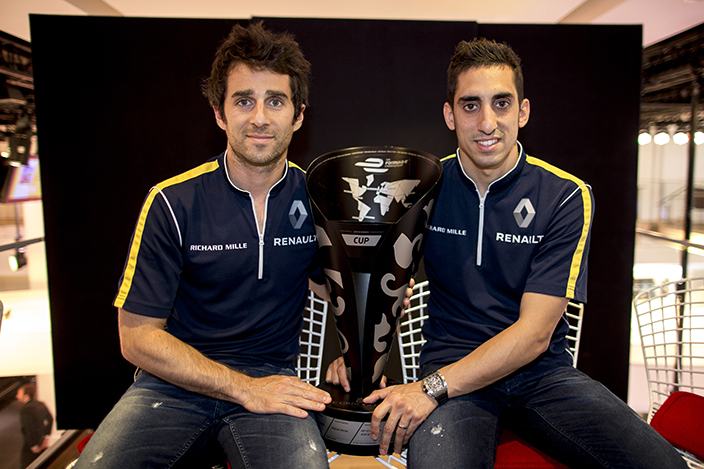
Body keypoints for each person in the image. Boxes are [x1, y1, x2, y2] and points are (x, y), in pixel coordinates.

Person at [327, 38, 688, 468]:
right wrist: (360, 358)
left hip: (540, 375)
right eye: (470, 105)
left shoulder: (566, 195)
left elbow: (534, 335)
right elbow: (384, 285)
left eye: (501, 103)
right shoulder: (421, 189)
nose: (487, 122)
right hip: (452, 373)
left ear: (523, 111)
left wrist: (427, 389)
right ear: (450, 115)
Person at [74, 22, 333, 468]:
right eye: (243, 101)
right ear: (219, 112)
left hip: (271, 379)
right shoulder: (171, 202)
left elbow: (336, 289)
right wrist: (241, 387)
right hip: (171, 382)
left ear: (299, 115)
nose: (259, 118)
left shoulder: (320, 201)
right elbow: (136, 338)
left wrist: (358, 334)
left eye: (275, 101)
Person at [16, 383, 53, 468]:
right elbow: (50, 419)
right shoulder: (40, 404)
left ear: (26, 395)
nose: (17, 396)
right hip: (42, 442)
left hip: (31, 447)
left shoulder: (25, 409)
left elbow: (29, 428)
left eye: (19, 394)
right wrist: (46, 436)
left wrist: (34, 446)